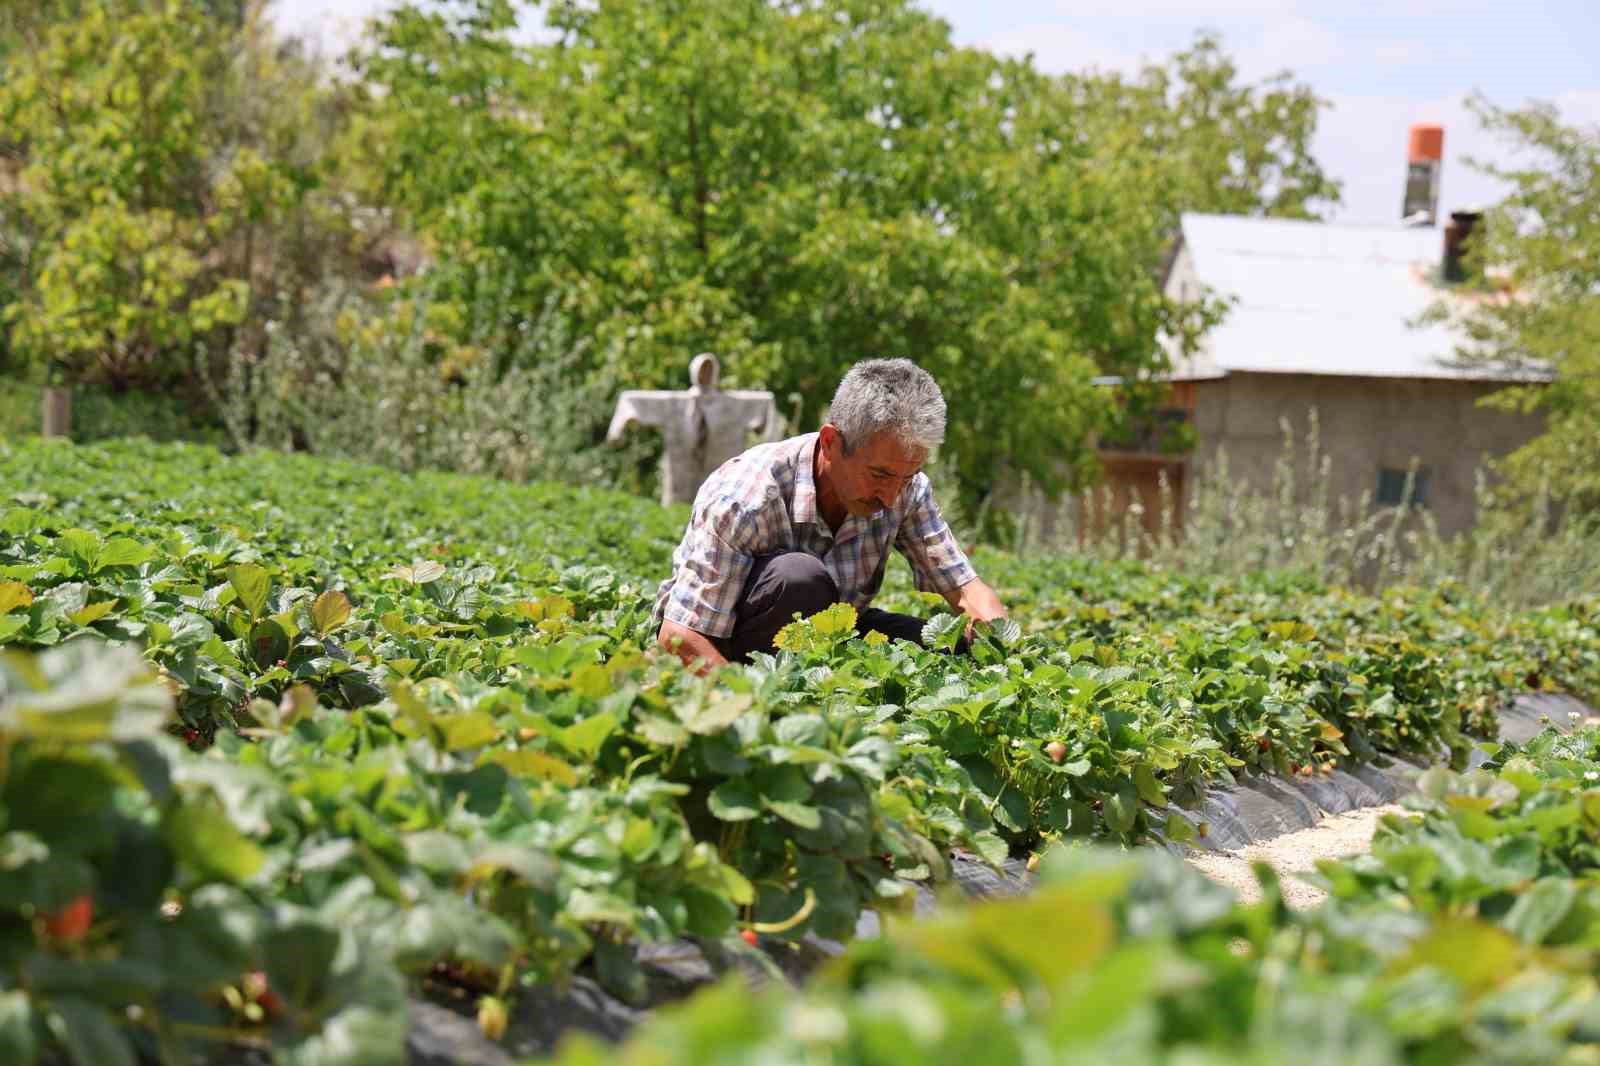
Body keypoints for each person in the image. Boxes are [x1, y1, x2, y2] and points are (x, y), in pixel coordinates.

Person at [654, 358, 1006, 672]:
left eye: (907, 476)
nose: (890, 496)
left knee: (949, 647)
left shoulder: (905, 488)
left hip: (829, 633)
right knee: (798, 578)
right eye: (880, 475)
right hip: (726, 644)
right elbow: (680, 637)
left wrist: (1007, 651)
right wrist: (753, 713)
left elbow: (964, 588)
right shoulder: (746, 496)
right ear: (831, 443)